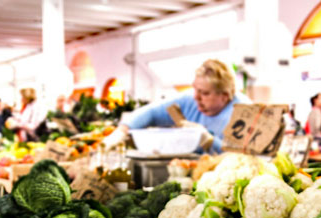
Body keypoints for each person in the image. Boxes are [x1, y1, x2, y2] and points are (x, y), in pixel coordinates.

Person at [104, 59, 249, 153]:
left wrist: (209, 139)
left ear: (225, 95)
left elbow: (242, 157)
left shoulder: (244, 112)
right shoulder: (188, 101)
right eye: (195, 89)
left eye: (204, 93)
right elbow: (152, 112)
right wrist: (122, 131)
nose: (196, 97)